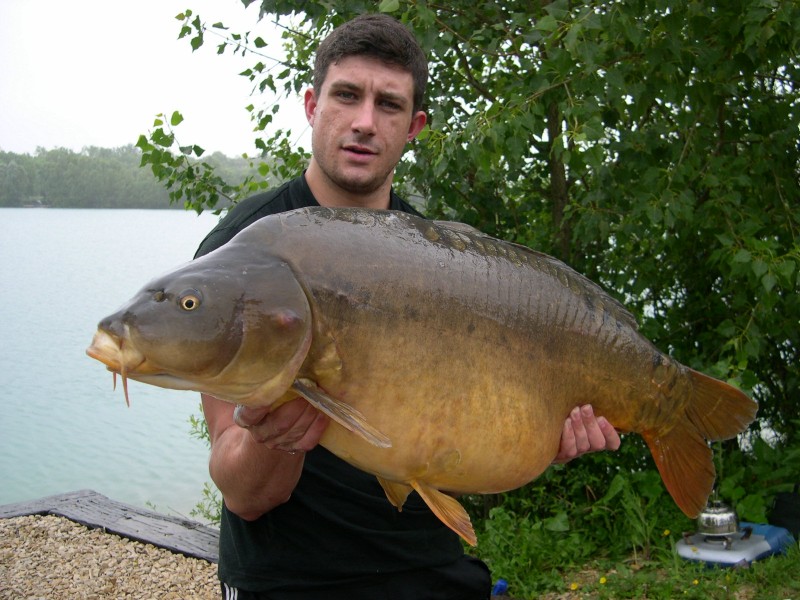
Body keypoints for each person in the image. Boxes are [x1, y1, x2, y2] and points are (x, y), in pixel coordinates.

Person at [194, 14, 620, 600]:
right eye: (347, 96)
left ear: (414, 125)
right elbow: (242, 491)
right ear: (313, 104)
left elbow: (469, 444)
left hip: (427, 561)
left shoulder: (440, 258)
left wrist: (545, 437)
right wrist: (274, 435)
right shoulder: (246, 251)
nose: (365, 122)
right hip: (292, 575)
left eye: (388, 105)